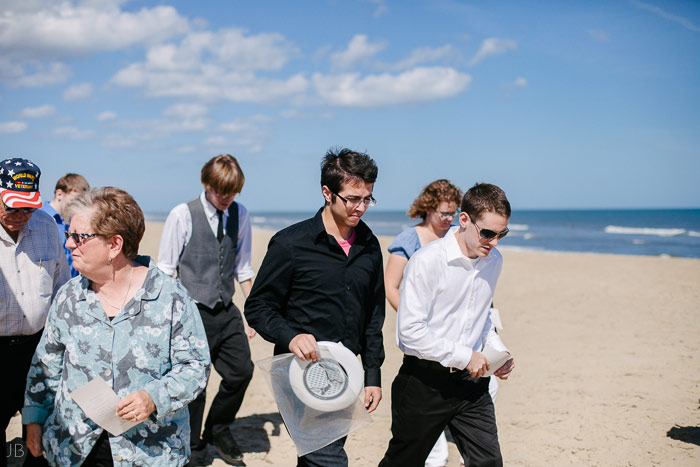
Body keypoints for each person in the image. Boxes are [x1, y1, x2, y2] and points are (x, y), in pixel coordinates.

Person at [22, 186, 211, 467]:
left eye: (79, 237)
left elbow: (196, 366)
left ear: (114, 245)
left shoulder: (171, 297)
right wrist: (34, 420)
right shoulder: (69, 296)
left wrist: (153, 398)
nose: (68, 244)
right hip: (73, 447)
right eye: (68, 235)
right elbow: (46, 365)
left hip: (148, 451)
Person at [245, 147, 385, 467]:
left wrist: (373, 373)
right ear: (327, 192)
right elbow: (258, 307)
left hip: (346, 375)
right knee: (329, 461)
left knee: (315, 459)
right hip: (299, 374)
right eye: (352, 198)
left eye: (368, 198)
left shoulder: (369, 245)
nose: (361, 207)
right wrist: (291, 335)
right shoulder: (289, 244)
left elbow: (374, 315)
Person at [379, 183, 515, 467]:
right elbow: (409, 334)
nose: (494, 242)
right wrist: (466, 356)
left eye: (502, 234)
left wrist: (498, 352)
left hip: (472, 386)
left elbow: (483, 318)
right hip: (424, 383)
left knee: (489, 462)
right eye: (488, 233)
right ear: (464, 220)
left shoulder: (494, 261)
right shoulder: (427, 261)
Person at [158, 154, 255, 467]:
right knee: (195, 385)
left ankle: (217, 428)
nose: (227, 198)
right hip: (191, 311)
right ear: (207, 185)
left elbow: (242, 268)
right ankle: (193, 446)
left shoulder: (241, 214)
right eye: (221, 192)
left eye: (233, 192)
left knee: (241, 371)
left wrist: (253, 311)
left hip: (226, 309)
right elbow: (166, 270)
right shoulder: (181, 215)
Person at [384, 179, 462, 467]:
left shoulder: (455, 237)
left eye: (454, 213)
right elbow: (391, 286)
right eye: (444, 213)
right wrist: (413, 319)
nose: (449, 219)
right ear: (428, 208)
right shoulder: (409, 239)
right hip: (423, 336)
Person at [0, 158, 70, 467]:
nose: (20, 217)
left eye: (27, 208)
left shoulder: (46, 226)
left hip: (38, 350)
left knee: (42, 437)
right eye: (12, 208)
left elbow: (62, 287)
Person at [40, 173, 90, 277]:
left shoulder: (73, 222)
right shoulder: (38, 219)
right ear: (59, 194)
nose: (79, 205)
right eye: (76, 199)